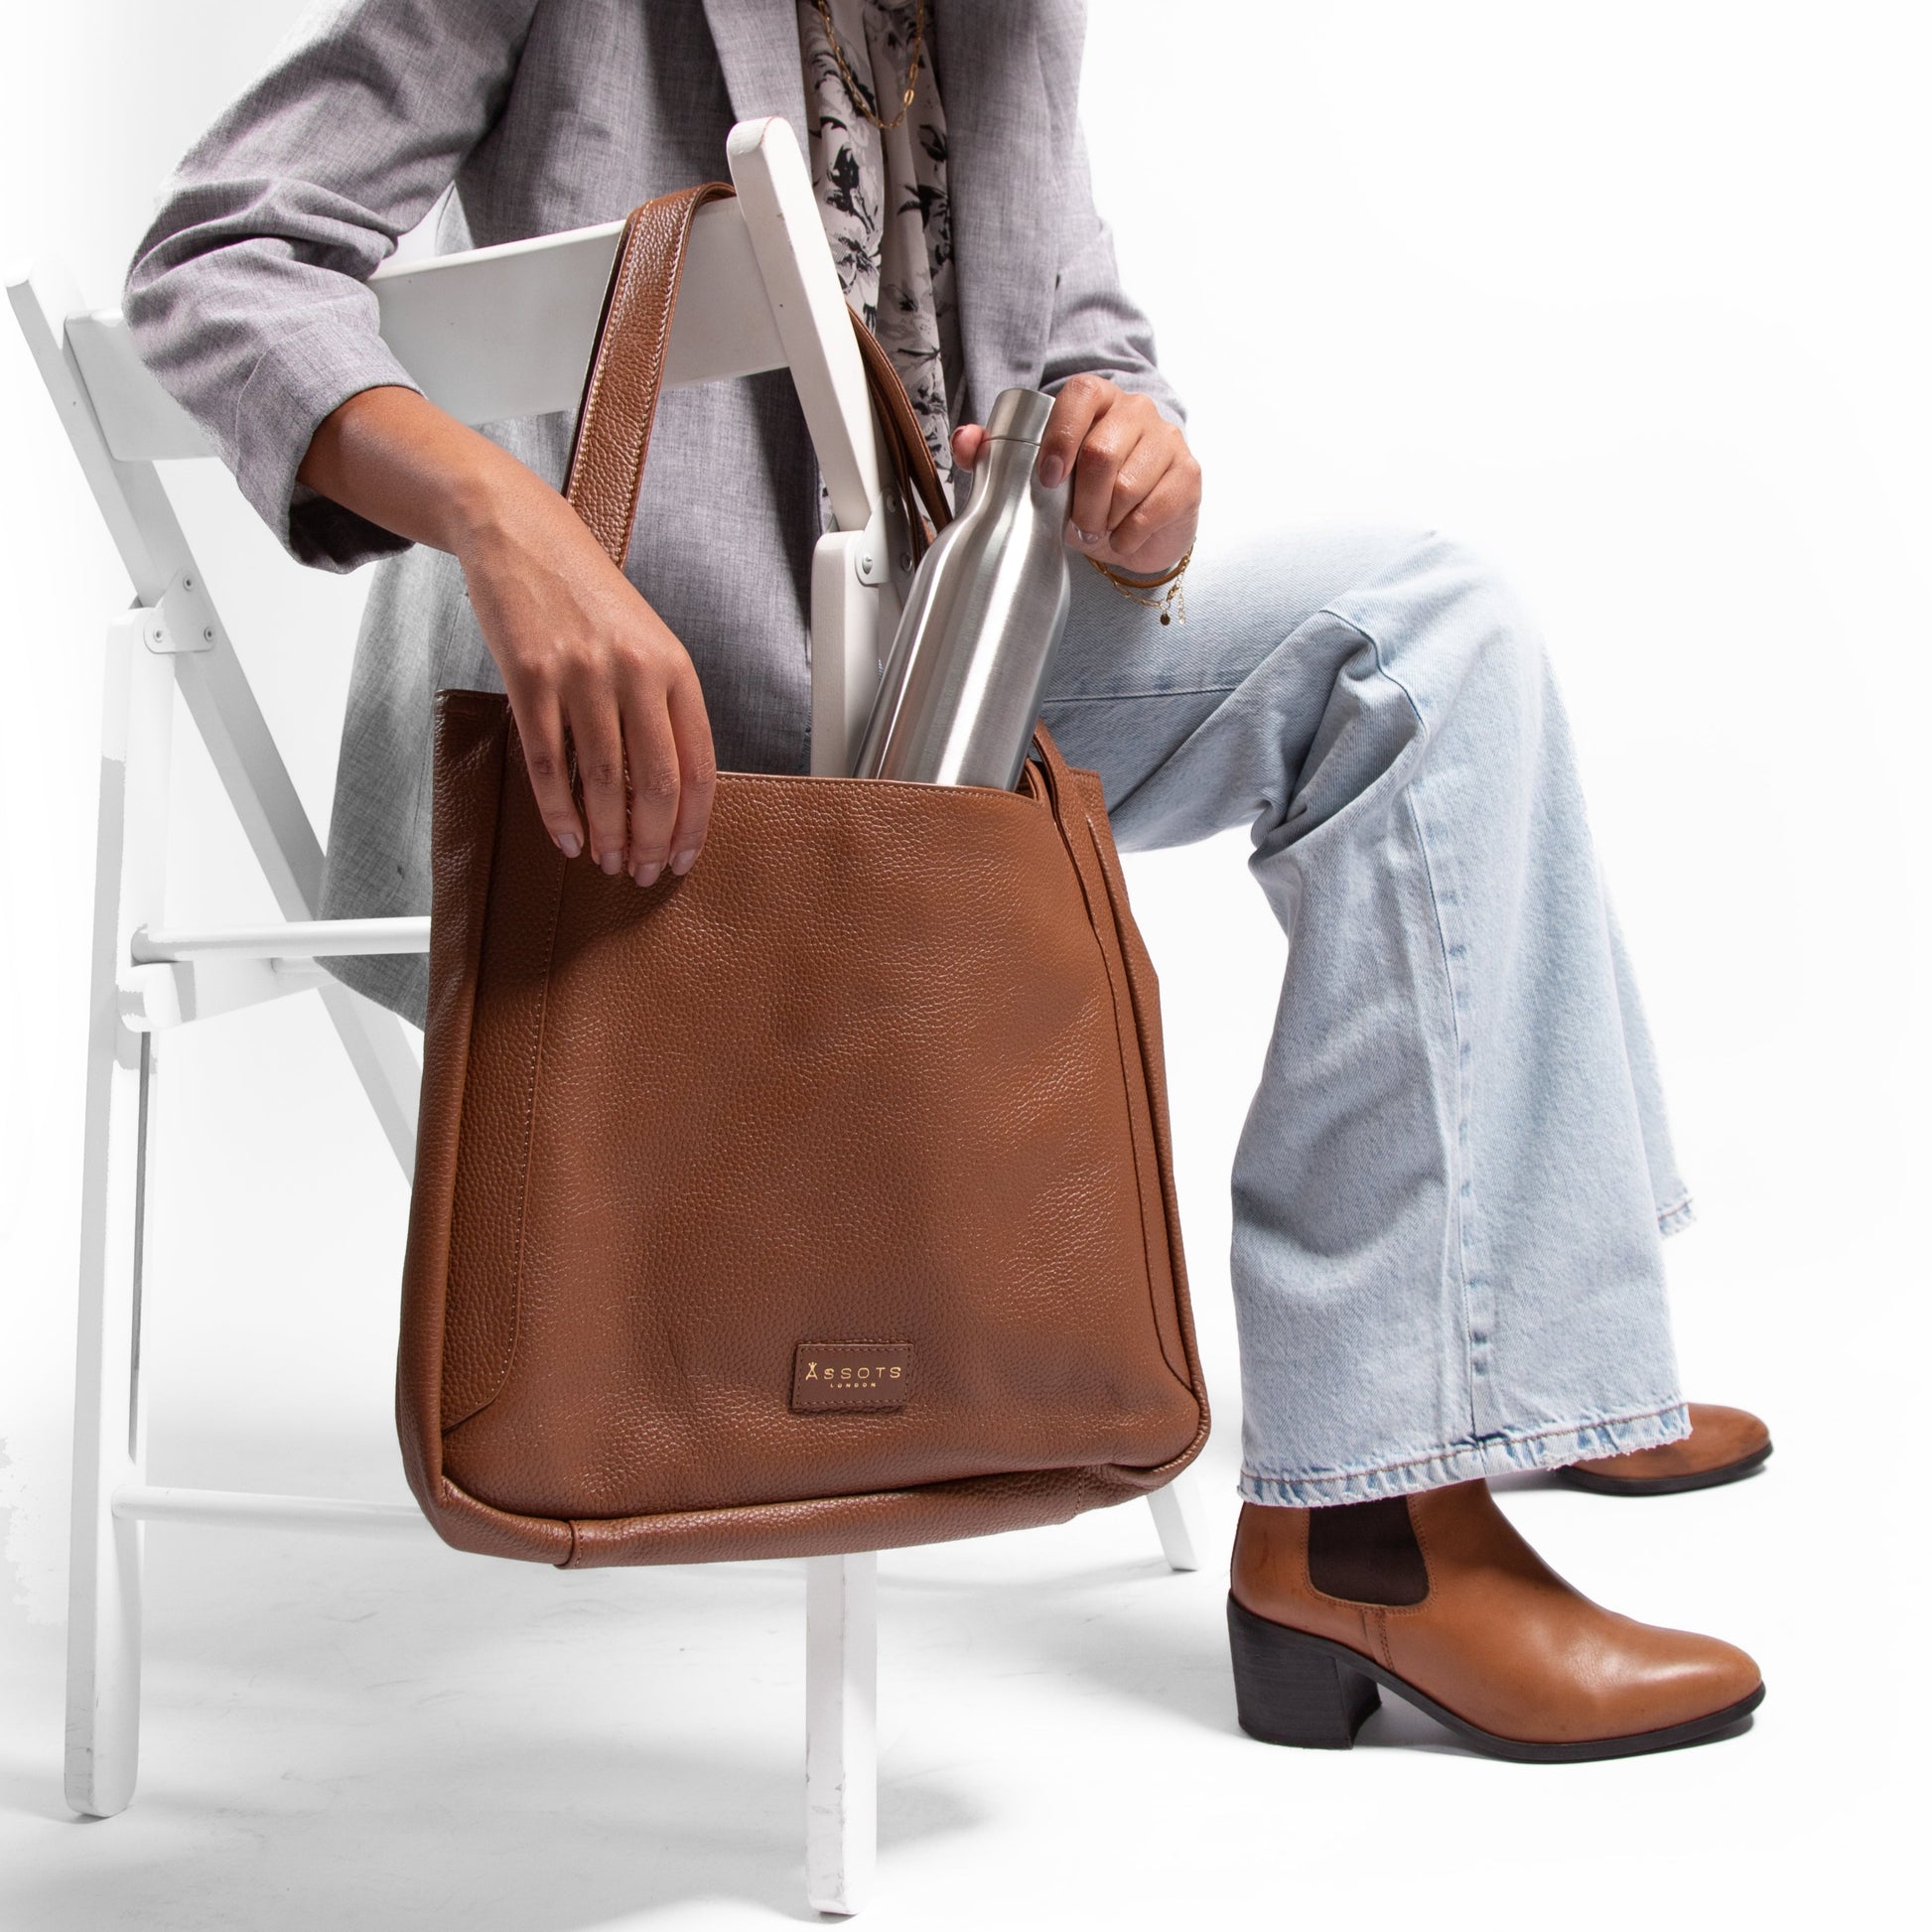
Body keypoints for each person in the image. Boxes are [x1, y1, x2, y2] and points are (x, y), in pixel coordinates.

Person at [124, 0, 1770, 1761]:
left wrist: (1135, 457)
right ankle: (1405, 1494)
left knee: (1423, 643)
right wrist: (502, 521)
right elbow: (221, 256)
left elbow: (1081, 336)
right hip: (652, 717)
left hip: (947, 655)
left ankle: (1483, 1368)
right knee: (1419, 644)